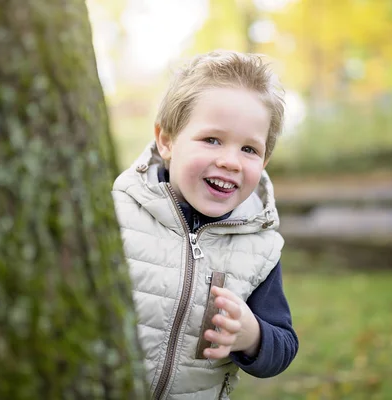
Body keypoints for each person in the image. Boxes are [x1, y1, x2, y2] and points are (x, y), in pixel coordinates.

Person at [112, 50, 298, 399]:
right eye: (212, 139)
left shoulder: (260, 248)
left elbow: (284, 344)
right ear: (166, 140)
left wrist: (252, 335)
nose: (229, 161)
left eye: (249, 149)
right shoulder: (117, 216)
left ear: (265, 160)